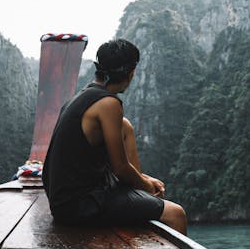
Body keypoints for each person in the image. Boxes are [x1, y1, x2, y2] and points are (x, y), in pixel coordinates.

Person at [42, 38, 187, 234]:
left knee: (124, 125)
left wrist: (143, 179)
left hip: (63, 201)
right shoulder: (109, 104)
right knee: (176, 214)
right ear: (131, 73)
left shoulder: (81, 97)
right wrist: (149, 187)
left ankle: (140, 190)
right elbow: (119, 168)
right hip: (80, 206)